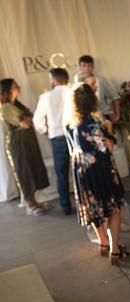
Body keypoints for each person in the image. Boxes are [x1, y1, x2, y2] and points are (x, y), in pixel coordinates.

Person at [65, 83, 126, 263]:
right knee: (113, 207)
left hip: (82, 171)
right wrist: (109, 130)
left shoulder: (69, 124)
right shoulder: (95, 123)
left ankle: (103, 242)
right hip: (101, 170)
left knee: (94, 207)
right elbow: (107, 147)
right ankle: (114, 250)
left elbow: (72, 149)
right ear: (93, 100)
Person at [0, 79, 49, 215]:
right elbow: (26, 122)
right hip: (18, 144)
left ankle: (34, 202)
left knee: (32, 169)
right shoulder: (6, 107)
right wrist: (29, 119)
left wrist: (29, 119)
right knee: (24, 171)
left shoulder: (16, 104)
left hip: (27, 141)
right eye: (16, 86)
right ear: (8, 90)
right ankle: (30, 204)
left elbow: (30, 118)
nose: (19, 87)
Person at [33, 68, 72, 214]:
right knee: (81, 169)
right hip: (75, 135)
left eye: (50, 79)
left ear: (55, 80)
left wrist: (46, 131)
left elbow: (37, 121)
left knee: (61, 173)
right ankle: (87, 202)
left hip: (58, 137)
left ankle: (66, 206)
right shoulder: (73, 92)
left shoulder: (46, 97)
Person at [74, 55, 121, 125]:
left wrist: (117, 115)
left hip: (103, 116)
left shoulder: (100, 80)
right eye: (84, 66)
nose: (87, 69)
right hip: (86, 119)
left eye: (89, 66)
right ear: (80, 67)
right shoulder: (77, 83)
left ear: (93, 66)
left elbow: (115, 97)